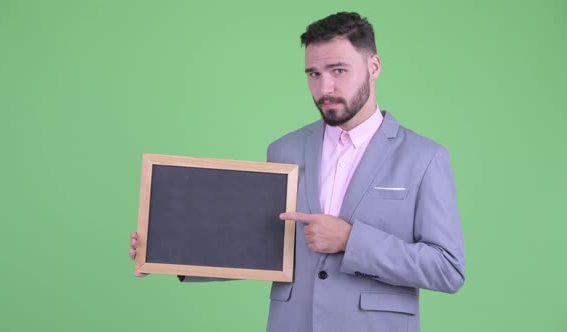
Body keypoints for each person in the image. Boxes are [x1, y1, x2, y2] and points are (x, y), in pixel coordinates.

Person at [130, 12, 465, 332]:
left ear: (373, 66)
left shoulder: (424, 157)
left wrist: (351, 240)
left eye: (338, 70)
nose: (325, 88)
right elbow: (262, 246)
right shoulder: (284, 149)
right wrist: (168, 252)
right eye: (313, 74)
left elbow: (447, 269)